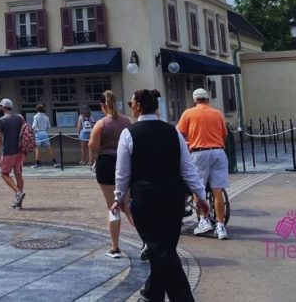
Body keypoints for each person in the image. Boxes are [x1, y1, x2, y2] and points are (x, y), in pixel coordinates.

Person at [112, 90, 207, 302]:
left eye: (131, 103)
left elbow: (122, 172)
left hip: (145, 196)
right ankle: (153, 292)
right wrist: (201, 196)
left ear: (137, 107)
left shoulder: (129, 133)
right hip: (173, 196)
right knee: (165, 247)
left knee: (159, 249)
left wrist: (118, 197)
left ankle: (182, 298)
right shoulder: (172, 132)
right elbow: (187, 168)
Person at [177, 88, 230, 240]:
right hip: (218, 152)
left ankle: (203, 220)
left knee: (198, 188)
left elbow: (179, 135)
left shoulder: (188, 113)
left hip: (199, 153)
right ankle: (220, 226)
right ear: (208, 99)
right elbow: (224, 135)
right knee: (217, 190)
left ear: (195, 100)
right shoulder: (217, 113)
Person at [87, 90, 133, 258]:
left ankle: (114, 247)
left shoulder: (101, 123)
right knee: (126, 206)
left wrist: (92, 159)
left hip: (106, 164)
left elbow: (92, 145)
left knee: (112, 207)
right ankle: (146, 241)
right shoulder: (128, 121)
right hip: (125, 163)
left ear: (102, 106)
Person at [0, 98, 26, 209]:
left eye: (0, 106)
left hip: (8, 151)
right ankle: (18, 199)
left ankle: (18, 193)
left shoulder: (1, 120)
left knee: (4, 173)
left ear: (3, 107)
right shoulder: (19, 118)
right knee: (18, 174)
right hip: (20, 151)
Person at [30, 104, 59, 169]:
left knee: (38, 149)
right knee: (49, 147)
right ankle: (54, 162)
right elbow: (49, 127)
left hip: (38, 133)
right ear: (43, 109)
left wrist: (31, 130)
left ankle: (38, 164)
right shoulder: (46, 117)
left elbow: (34, 125)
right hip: (45, 133)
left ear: (37, 109)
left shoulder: (35, 116)